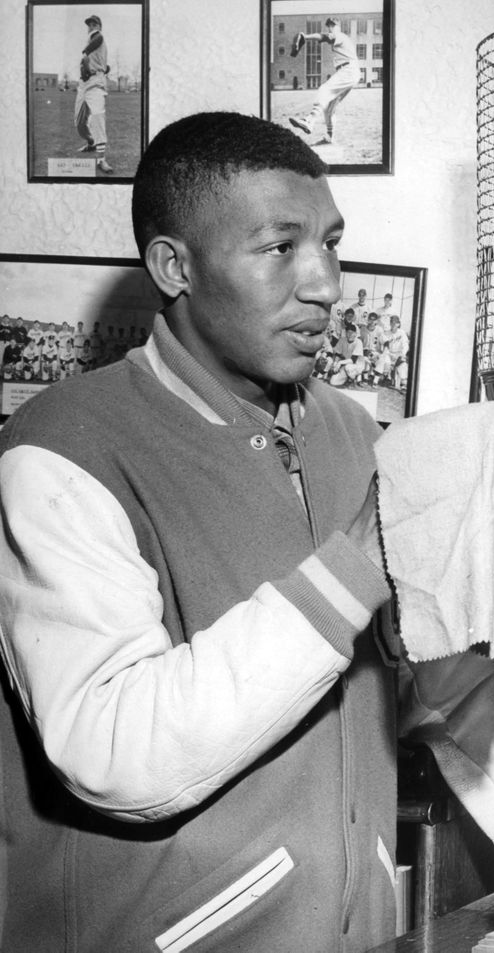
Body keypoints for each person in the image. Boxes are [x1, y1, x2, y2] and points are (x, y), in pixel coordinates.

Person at [0, 111, 398, 952]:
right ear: (174, 266)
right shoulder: (59, 452)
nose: (324, 282)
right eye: (280, 247)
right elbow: (112, 751)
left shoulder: (354, 433)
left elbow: (408, 691)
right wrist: (354, 566)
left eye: (330, 243)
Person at [289, 16, 360, 145]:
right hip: (350, 71)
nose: (331, 27)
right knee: (330, 107)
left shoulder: (340, 36)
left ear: (338, 26)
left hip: (348, 69)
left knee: (324, 89)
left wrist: (305, 37)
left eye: (333, 25)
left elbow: (323, 37)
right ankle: (329, 136)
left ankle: (309, 120)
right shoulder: (342, 38)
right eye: (329, 25)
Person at [75, 14, 112, 174]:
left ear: (99, 26)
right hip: (84, 84)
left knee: (97, 116)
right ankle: (91, 142)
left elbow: (97, 39)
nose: (91, 26)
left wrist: (85, 52)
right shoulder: (92, 43)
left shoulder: (97, 37)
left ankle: (101, 160)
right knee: (79, 123)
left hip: (96, 83)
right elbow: (101, 63)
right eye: (89, 24)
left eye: (94, 23)